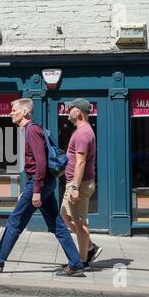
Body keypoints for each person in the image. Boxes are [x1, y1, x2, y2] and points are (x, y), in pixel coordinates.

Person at [0, 98, 85, 276]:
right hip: (41, 182)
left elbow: (41, 164)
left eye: (13, 110)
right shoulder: (29, 130)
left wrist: (35, 191)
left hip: (39, 182)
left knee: (15, 221)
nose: (10, 113)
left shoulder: (32, 130)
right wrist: (28, 189)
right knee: (56, 224)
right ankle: (75, 264)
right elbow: (34, 164)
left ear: (25, 112)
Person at [60, 98, 102, 269]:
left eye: (71, 108)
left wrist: (75, 187)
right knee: (64, 215)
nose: (68, 110)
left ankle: (82, 261)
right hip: (74, 182)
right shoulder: (80, 131)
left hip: (79, 184)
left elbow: (81, 162)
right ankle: (90, 247)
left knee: (79, 221)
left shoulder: (83, 133)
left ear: (79, 112)